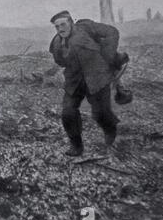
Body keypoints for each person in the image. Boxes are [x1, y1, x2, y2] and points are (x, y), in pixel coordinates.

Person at [49, 10, 127, 156]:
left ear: (71, 23)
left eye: (63, 24)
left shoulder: (86, 28)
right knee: (68, 113)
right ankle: (76, 146)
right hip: (74, 81)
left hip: (97, 77)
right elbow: (59, 61)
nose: (60, 29)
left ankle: (110, 131)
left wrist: (107, 55)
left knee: (100, 114)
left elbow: (112, 32)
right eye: (57, 26)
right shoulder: (56, 43)